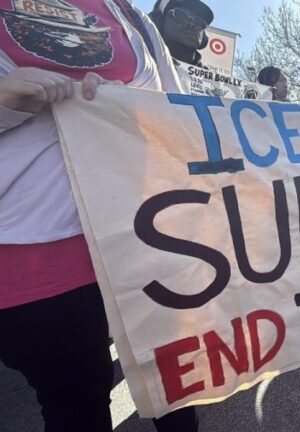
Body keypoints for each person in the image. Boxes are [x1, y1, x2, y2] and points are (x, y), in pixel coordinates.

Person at [0, 1, 197, 430]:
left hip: (146, 241)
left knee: (178, 386)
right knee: (79, 406)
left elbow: (180, 117)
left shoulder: (132, 17)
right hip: (37, 267)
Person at [149, 0, 214, 67]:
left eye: (199, 22)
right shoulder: (141, 64)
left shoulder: (211, 77)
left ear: (204, 37)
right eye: (180, 15)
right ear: (158, 23)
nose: (191, 24)